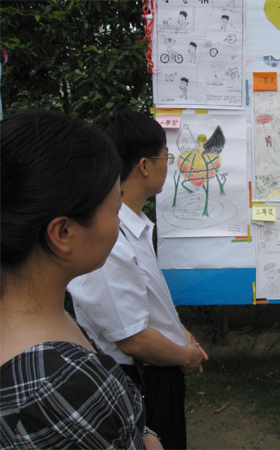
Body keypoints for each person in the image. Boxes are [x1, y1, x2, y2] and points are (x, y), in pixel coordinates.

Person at [0, 112, 161, 449]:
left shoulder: (45, 320)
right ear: (64, 233)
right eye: (114, 210)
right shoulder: (66, 388)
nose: (118, 223)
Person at [68, 111, 208, 450]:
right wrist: (184, 355)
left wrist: (180, 334)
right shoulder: (109, 239)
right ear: (144, 165)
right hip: (138, 378)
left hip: (159, 367)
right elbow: (131, 338)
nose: (168, 167)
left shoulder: (134, 226)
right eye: (166, 158)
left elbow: (146, 303)